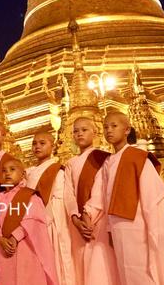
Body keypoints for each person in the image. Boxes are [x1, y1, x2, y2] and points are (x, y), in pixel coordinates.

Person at [84, 111, 164, 284]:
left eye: (114, 126)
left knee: (142, 270)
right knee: (125, 271)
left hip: (138, 223)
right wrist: (89, 215)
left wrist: (154, 227)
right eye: (105, 127)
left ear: (127, 130)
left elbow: (152, 196)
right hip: (116, 225)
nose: (109, 130)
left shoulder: (138, 158)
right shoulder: (107, 163)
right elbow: (99, 194)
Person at [63, 117, 117, 285]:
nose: (79, 134)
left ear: (95, 132)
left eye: (84, 130)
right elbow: (68, 193)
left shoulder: (103, 158)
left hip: (98, 219)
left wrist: (88, 214)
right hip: (77, 223)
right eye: (76, 131)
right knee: (80, 266)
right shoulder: (70, 163)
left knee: (99, 264)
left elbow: (101, 189)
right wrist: (74, 217)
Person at [0, 158, 58, 285]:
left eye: (12, 169)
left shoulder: (30, 195)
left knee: (27, 278)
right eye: (4, 171)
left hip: (25, 247)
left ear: (23, 174)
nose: (7, 173)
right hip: (3, 247)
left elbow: (33, 220)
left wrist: (15, 237)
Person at [26, 129, 75, 285]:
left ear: (53, 146)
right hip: (32, 224)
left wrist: (44, 220)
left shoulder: (57, 170)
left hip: (51, 224)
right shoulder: (30, 172)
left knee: (55, 263)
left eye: (42, 143)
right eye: (34, 143)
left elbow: (58, 201)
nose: (37, 147)